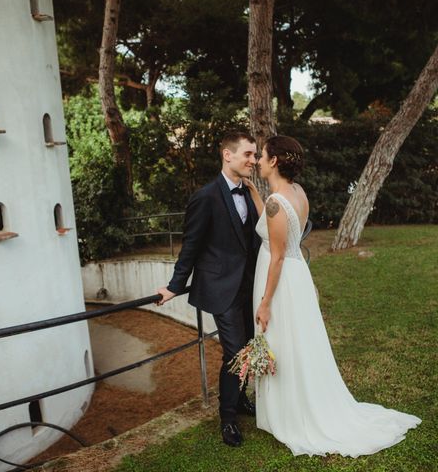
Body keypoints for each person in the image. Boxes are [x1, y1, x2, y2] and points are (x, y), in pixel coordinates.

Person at [245, 135, 421, 457]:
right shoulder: (296, 193)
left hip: (279, 280)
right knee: (300, 343)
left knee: (283, 343)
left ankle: (291, 415)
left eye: (262, 155)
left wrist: (266, 302)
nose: (257, 160)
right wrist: (255, 192)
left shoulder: (276, 202)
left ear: (273, 161)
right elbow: (275, 228)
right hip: (297, 277)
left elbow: (277, 254)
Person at [156, 131, 260, 447]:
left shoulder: (251, 194)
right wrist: (176, 285)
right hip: (220, 288)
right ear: (227, 155)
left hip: (250, 285)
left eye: (255, 156)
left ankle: (240, 399)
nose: (253, 161)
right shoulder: (206, 196)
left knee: (251, 346)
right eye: (248, 155)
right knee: (236, 352)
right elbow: (191, 245)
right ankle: (227, 418)